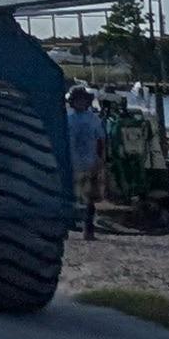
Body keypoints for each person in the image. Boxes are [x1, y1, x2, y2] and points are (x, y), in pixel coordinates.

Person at [65, 85, 107, 238]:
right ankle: (69, 225)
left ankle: (88, 229)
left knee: (89, 197)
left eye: (83, 100)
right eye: (77, 100)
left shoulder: (94, 119)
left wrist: (100, 159)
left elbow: (101, 140)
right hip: (71, 161)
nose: (80, 103)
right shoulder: (67, 118)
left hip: (90, 162)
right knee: (72, 195)